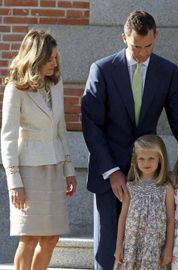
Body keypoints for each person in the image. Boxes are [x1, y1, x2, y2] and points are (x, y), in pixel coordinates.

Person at [81, 10, 178, 270]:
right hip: (108, 168)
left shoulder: (167, 71)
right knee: (109, 248)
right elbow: (92, 126)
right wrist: (112, 172)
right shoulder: (101, 70)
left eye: (148, 46)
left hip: (148, 172)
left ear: (155, 37)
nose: (142, 53)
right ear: (123, 37)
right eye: (136, 46)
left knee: (146, 248)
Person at [1, 29, 77, 270]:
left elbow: (60, 128)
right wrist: (14, 181)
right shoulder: (16, 88)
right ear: (35, 59)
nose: (54, 63)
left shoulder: (56, 84)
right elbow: (8, 137)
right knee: (29, 237)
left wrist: (69, 169)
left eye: (55, 57)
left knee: (51, 238)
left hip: (54, 168)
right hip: (28, 171)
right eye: (49, 59)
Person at [113, 135, 174, 269]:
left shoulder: (166, 188)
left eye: (151, 158)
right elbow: (122, 218)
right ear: (135, 161)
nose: (146, 163)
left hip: (154, 247)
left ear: (160, 159)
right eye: (141, 159)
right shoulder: (130, 187)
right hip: (131, 245)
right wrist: (118, 247)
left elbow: (170, 219)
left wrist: (168, 248)